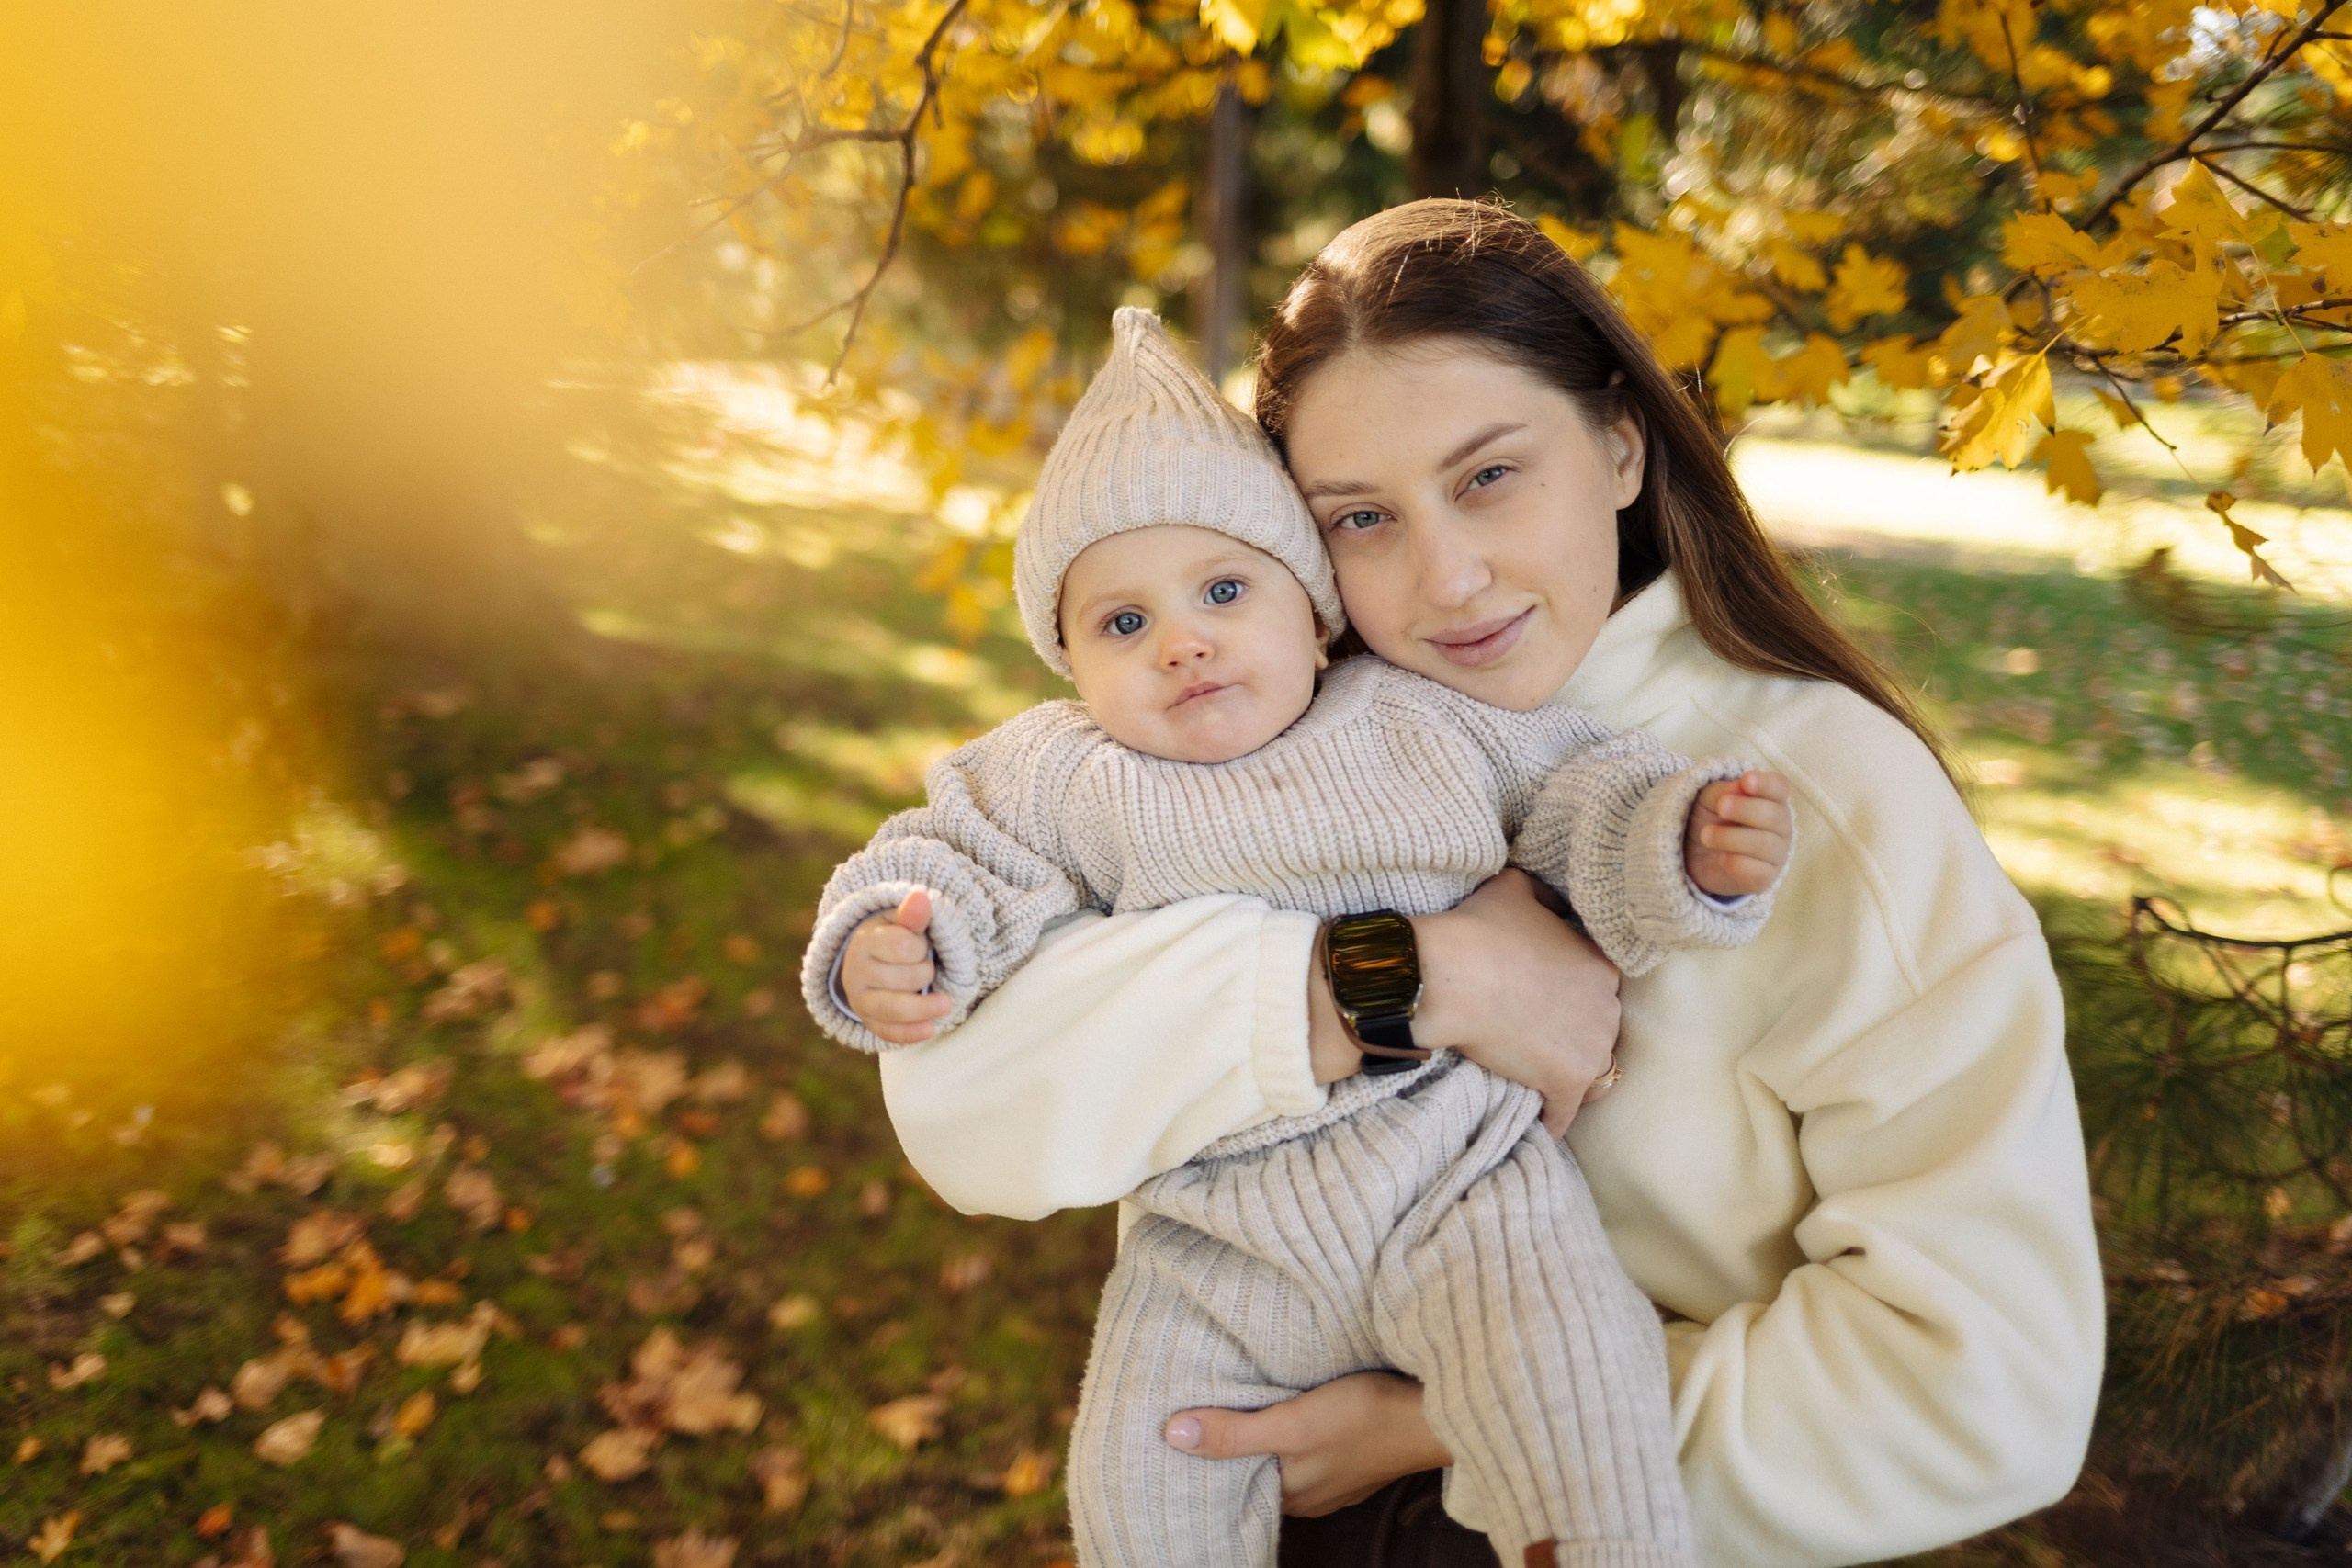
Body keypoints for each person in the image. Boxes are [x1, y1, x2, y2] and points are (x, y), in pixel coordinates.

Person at [867, 200, 2106, 1568]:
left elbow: (1990, 1389)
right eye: (1362, 516)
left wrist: (1444, 1425)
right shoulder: (1275, 737)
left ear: (1622, 443)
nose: (1446, 578)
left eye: (1489, 477)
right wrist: (1417, 975)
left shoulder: (1815, 799)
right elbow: (957, 1107)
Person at [800, 306, 1796, 1568]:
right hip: (1214, 1237)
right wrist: (884, 945)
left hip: (1458, 1185)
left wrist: (1682, 846)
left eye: (1224, 590)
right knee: (1145, 1466)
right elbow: (942, 861)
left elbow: (1582, 804)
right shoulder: (1064, 777)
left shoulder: (1423, 719)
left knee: (1570, 1372)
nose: (1182, 640)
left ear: (1315, 613)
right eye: (1122, 624)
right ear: (1068, 667)